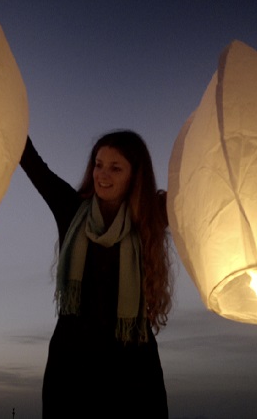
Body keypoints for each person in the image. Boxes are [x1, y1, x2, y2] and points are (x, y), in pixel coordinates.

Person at [20, 131, 173, 418]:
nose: (102, 175)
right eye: (98, 164)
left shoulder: (153, 213)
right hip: (72, 363)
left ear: (135, 175)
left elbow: (204, 190)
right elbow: (30, 161)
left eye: (115, 168)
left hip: (133, 365)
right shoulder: (71, 208)